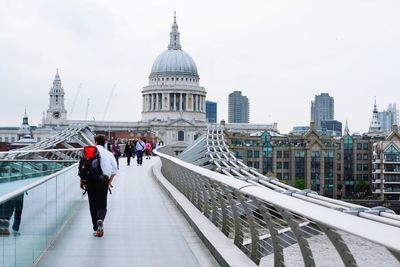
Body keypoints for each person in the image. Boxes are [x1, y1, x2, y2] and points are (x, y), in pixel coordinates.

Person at [80, 135, 117, 238]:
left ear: (95, 141)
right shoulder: (108, 153)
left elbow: (83, 167)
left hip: (90, 181)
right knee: (102, 203)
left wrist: (82, 180)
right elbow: (115, 168)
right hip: (103, 181)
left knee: (93, 204)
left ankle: (96, 228)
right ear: (105, 142)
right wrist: (110, 180)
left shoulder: (90, 152)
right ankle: (100, 219)